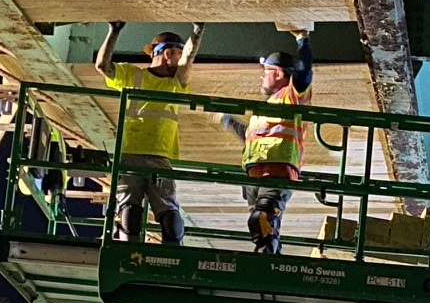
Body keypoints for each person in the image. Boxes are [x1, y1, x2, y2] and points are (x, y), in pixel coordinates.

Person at [94, 19, 205, 243]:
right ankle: (172, 256)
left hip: (132, 155)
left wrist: (197, 32)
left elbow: (103, 66)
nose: (182, 58)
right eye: (178, 52)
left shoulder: (142, 77)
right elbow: (102, 66)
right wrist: (113, 32)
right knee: (165, 210)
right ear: (167, 53)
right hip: (155, 157)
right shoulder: (171, 82)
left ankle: (128, 251)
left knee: (131, 207)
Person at [216, 27, 312, 253]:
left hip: (277, 174)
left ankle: (267, 261)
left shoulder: (291, 96)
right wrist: (229, 121)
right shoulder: (265, 109)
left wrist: (302, 40)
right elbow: (251, 137)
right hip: (255, 177)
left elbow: (305, 72)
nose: (262, 75)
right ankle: (271, 259)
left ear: (279, 73)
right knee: (265, 225)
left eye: (266, 70)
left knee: (261, 221)